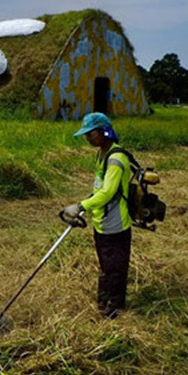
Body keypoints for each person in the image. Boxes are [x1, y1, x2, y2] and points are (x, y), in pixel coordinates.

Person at [63, 112, 132, 319]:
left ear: (105, 131)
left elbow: (108, 192)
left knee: (115, 268)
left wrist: (81, 205)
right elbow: (99, 188)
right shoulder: (102, 154)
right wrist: (86, 205)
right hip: (102, 221)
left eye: (91, 133)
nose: (87, 138)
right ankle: (104, 302)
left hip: (116, 224)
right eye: (86, 134)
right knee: (106, 266)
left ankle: (113, 309)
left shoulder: (116, 158)